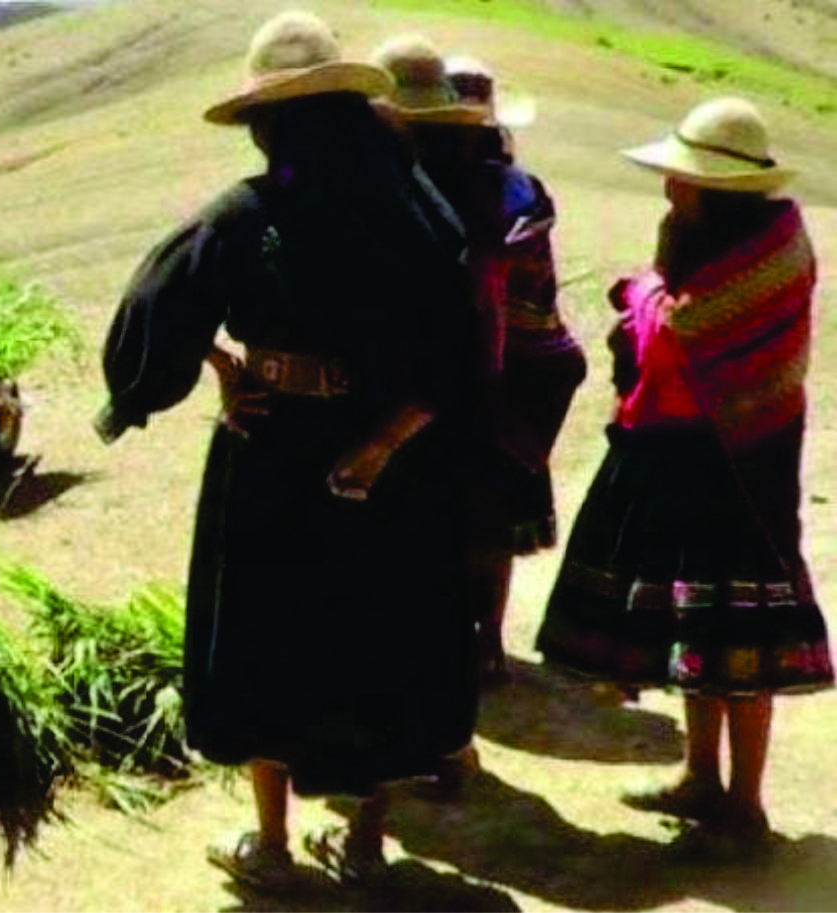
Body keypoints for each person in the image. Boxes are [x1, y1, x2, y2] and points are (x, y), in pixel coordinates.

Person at [95, 11, 481, 889]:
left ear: (268, 122)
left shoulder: (248, 212)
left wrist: (220, 367)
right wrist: (383, 443)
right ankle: (367, 842)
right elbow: (456, 353)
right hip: (391, 469)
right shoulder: (415, 209)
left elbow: (156, 307)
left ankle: (270, 844)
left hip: (271, 450)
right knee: (382, 634)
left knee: (264, 633)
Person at [535, 97, 833, 853]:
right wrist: (651, 291)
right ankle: (701, 776)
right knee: (695, 625)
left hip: (741, 467)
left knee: (742, 632)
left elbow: (678, 331)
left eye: (681, 179)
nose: (669, 191)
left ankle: (746, 806)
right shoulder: (703, 240)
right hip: (685, 456)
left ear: (715, 187)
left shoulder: (768, 258)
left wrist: (640, 294)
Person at [373, 38, 586, 686]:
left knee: (424, 514)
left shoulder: (400, 184)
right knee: (488, 518)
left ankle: (428, 640)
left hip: (427, 381)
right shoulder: (517, 189)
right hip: (508, 376)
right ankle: (487, 640)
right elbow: (533, 294)